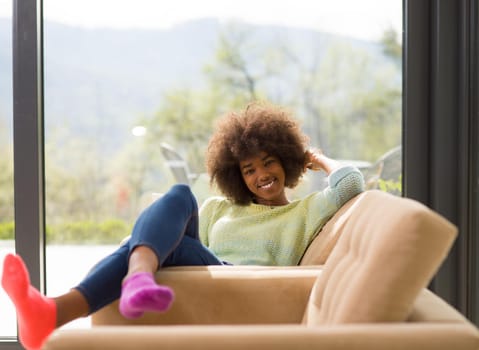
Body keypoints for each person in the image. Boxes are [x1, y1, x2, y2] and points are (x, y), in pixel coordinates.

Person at [1, 102, 364, 350]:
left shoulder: (305, 212)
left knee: (146, 244)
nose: (261, 176)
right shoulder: (221, 207)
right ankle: (130, 279)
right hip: (202, 272)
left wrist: (315, 158)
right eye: (248, 170)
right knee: (177, 196)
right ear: (236, 177)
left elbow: (350, 184)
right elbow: (174, 239)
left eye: (269, 163)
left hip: (239, 285)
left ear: (287, 162)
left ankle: (57, 310)